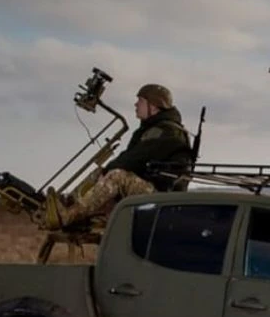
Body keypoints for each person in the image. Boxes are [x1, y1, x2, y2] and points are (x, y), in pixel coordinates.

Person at [44, 83, 192, 230]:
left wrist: (108, 170)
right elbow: (132, 157)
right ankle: (67, 204)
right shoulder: (155, 128)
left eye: (140, 101)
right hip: (155, 189)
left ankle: (67, 216)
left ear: (153, 107)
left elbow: (134, 159)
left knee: (116, 176)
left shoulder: (166, 132)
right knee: (102, 172)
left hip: (164, 196)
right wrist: (104, 171)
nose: (136, 105)